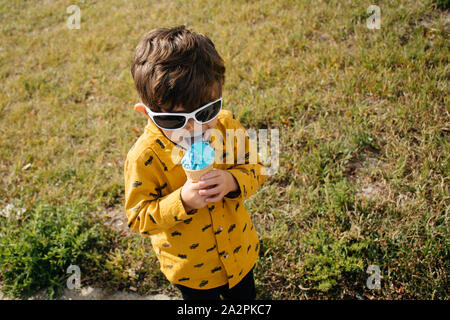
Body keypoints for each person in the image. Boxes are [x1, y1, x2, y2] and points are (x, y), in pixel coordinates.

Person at [124, 25, 266, 300]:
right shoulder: (145, 157)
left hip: (240, 254)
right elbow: (138, 218)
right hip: (192, 272)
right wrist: (183, 201)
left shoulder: (225, 126)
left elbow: (257, 168)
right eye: (174, 120)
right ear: (145, 112)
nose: (193, 127)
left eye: (206, 111)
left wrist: (232, 180)